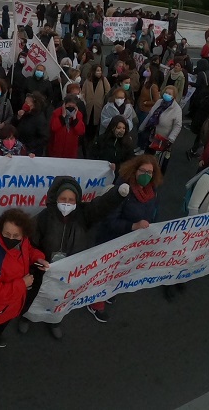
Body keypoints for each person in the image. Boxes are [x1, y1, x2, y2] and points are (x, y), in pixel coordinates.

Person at [21, 177, 129, 337]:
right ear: (55, 198)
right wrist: (37, 261)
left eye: (71, 200)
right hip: (44, 269)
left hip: (69, 272)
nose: (67, 203)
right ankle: (26, 318)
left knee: (60, 299)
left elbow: (101, 206)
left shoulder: (84, 215)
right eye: (63, 199)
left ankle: (54, 321)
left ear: (77, 201)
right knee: (36, 295)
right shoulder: (44, 218)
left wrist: (117, 194)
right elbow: (31, 244)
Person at [89, 155, 162, 322]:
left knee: (120, 269)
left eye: (150, 172)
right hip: (111, 239)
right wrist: (134, 226)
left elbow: (154, 213)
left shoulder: (153, 192)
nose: (146, 175)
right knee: (104, 271)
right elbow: (109, 220)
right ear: (134, 170)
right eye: (142, 171)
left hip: (132, 243)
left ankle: (109, 291)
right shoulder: (122, 190)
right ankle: (95, 302)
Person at [0, 209, 48, 366]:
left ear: (24, 234)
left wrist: (39, 258)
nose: (11, 239)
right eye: (6, 234)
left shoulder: (24, 241)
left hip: (13, 301)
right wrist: (22, 284)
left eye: (16, 236)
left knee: (4, 322)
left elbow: (29, 251)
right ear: (0, 230)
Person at [48, 94, 86, 158]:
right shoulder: (57, 113)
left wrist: (75, 119)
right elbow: (53, 128)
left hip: (70, 149)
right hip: (57, 148)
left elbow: (81, 131)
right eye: (69, 106)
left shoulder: (78, 115)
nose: (71, 108)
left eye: (73, 106)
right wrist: (62, 116)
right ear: (64, 105)